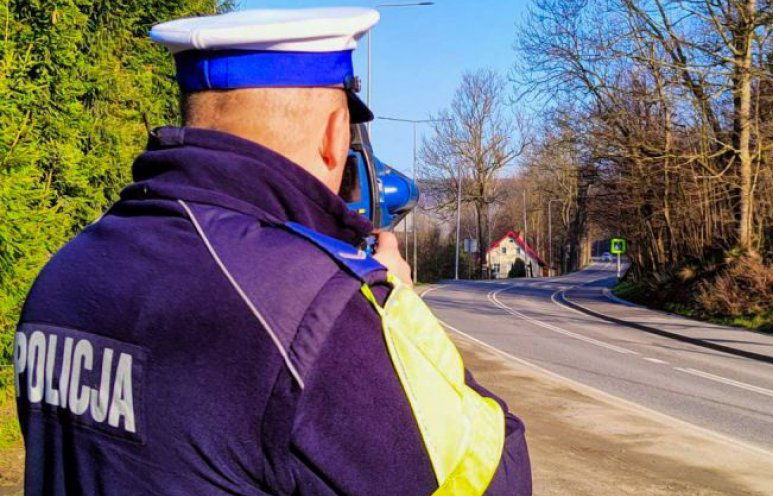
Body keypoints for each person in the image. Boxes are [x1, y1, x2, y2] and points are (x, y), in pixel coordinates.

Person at [13, 8, 530, 495]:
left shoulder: (65, 271)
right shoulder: (315, 308)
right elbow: (491, 479)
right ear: (335, 134)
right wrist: (399, 309)